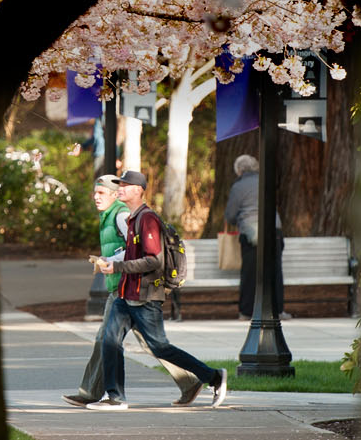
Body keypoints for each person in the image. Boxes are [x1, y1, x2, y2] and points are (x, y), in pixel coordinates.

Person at [90, 171, 228, 411]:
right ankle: (114, 397)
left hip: (145, 297)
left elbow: (154, 260)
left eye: (125, 185)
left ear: (138, 190)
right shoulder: (133, 218)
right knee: (109, 341)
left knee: (160, 347)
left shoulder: (148, 219)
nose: (120, 188)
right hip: (126, 294)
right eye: (119, 185)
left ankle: (214, 377)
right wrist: (113, 263)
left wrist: (117, 266)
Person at [62, 176, 202, 409]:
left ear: (114, 194)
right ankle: (191, 382)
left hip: (128, 288)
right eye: (95, 193)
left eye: (102, 193)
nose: (96, 197)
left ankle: (94, 393)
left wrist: (113, 263)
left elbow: (136, 252)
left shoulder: (121, 216)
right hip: (124, 286)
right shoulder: (109, 215)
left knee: (106, 339)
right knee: (148, 344)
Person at [225, 155, 289, 320]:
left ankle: (247, 311)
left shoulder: (238, 187)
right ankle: (278, 310)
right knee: (275, 270)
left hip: (251, 233)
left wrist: (237, 220)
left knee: (249, 273)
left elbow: (230, 214)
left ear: (239, 170)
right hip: (274, 230)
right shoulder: (266, 181)